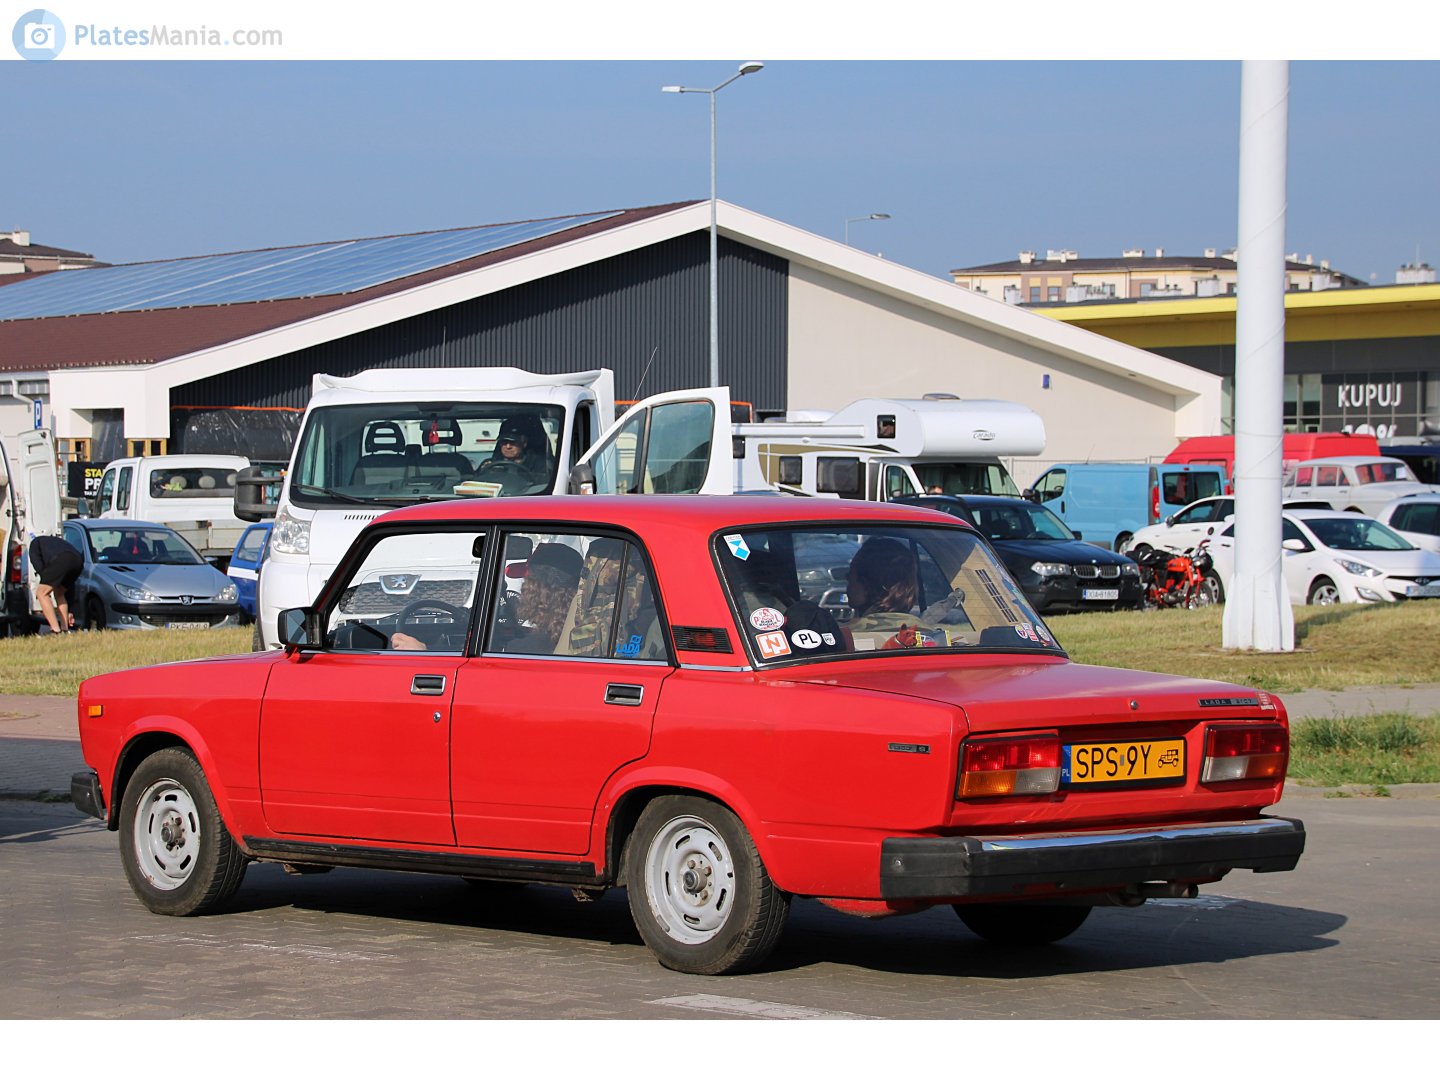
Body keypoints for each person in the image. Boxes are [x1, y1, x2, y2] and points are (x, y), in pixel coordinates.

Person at [846, 537, 965, 648]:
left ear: (869, 582)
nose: (847, 577)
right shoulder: (933, 638)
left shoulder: (843, 640)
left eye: (852, 572)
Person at [29, 534, 82, 635]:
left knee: (41, 593)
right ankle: (64, 629)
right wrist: (70, 609)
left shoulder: (35, 544)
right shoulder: (55, 542)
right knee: (59, 592)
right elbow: (70, 587)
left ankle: (55, 630)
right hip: (78, 561)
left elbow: (36, 561)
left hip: (62, 560)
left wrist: (44, 577)